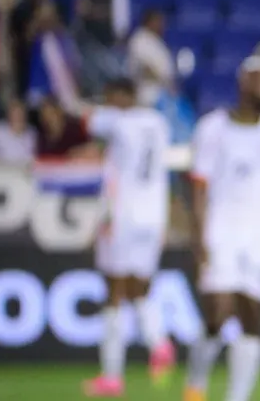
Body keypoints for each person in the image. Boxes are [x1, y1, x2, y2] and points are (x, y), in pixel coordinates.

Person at [183, 56, 260, 401]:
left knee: (251, 318)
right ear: (245, 83)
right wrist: (198, 237)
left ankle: (237, 397)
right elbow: (199, 188)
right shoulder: (212, 129)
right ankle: (196, 384)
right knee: (217, 314)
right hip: (220, 233)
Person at [82, 78, 175, 397]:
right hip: (153, 217)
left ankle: (111, 375)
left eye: (110, 97)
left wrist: (103, 218)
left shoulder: (118, 122)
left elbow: (88, 121)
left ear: (122, 96)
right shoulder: (159, 123)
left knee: (113, 292)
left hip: (122, 214)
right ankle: (159, 342)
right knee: (138, 288)